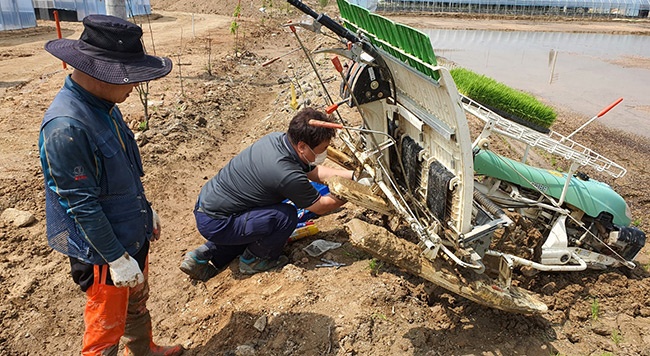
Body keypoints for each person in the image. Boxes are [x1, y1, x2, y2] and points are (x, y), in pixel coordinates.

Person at [39, 15, 183, 356]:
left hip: (130, 231)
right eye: (128, 77)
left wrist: (146, 210)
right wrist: (117, 259)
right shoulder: (67, 128)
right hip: (103, 250)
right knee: (105, 327)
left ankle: (143, 348)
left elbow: (122, 168)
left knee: (136, 302)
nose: (134, 86)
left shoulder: (104, 106)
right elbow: (81, 206)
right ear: (97, 72)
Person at [180, 107, 357, 281]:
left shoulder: (278, 140)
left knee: (256, 223)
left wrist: (355, 177)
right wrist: (354, 193)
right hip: (217, 222)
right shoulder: (286, 174)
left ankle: (203, 256)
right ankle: (254, 260)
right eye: (322, 148)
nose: (324, 152)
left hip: (210, 206)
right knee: (284, 217)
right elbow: (320, 206)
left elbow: (314, 172)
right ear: (302, 146)